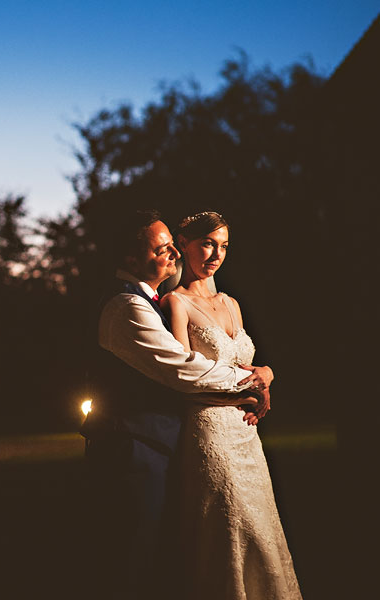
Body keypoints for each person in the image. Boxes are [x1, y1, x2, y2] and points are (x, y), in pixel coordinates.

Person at [80, 209, 272, 600]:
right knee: (130, 563)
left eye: (171, 246)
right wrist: (252, 382)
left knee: (158, 560)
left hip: (164, 445)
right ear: (131, 259)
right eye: (161, 249)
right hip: (132, 450)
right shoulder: (127, 307)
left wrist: (265, 374)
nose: (172, 256)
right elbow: (184, 370)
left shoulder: (149, 301)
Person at [160, 211, 301, 599]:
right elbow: (182, 382)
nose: (215, 253)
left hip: (247, 435)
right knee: (231, 527)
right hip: (211, 432)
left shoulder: (231, 303)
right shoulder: (176, 303)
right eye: (206, 243)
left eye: (223, 245)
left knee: (261, 526)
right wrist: (246, 393)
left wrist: (267, 373)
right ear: (183, 244)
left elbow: (247, 362)